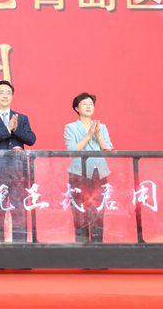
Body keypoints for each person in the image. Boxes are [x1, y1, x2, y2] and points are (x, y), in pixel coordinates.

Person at [0, 80, 36, 243]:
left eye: (8, 93)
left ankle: (20, 250)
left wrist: (16, 128)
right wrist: (7, 129)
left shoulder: (22, 118)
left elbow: (31, 139)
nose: (5, 96)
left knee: (19, 213)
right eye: (1, 92)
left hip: (18, 174)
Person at [64, 92, 114, 243]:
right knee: (80, 213)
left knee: (98, 212)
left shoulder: (101, 127)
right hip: (78, 174)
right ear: (76, 108)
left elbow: (108, 149)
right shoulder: (70, 127)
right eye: (84, 104)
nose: (88, 106)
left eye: (91, 104)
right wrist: (89, 135)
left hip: (99, 173)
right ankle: (82, 248)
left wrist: (97, 135)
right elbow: (72, 150)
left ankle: (98, 247)